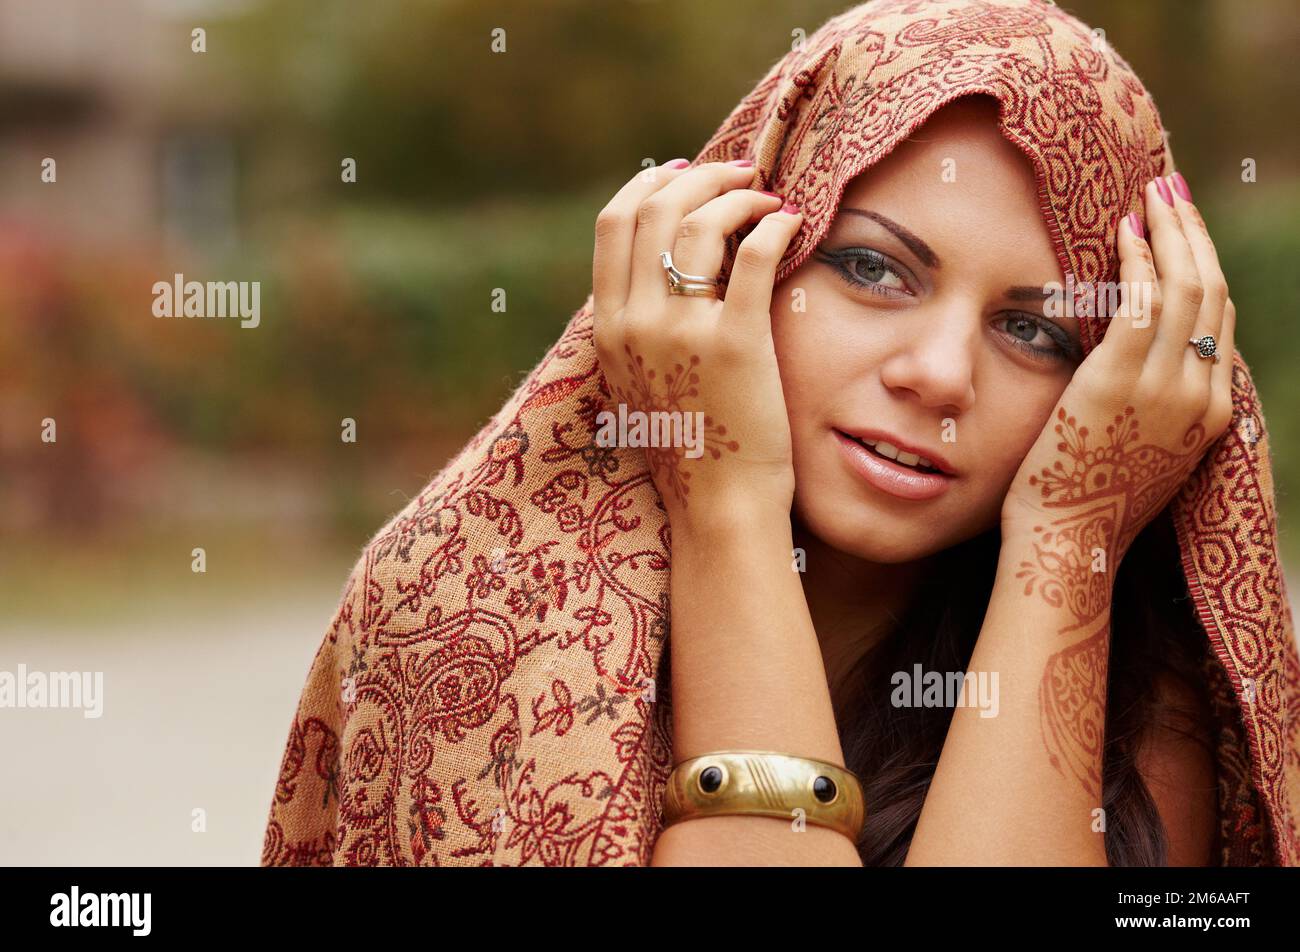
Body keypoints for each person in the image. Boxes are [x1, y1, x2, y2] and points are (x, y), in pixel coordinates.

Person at [262, 0, 1300, 866]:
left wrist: (1071, 533)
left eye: (1032, 329)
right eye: (871, 268)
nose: (936, 372)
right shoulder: (466, 607)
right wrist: (722, 498)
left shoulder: (1133, 722)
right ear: (734, 253)